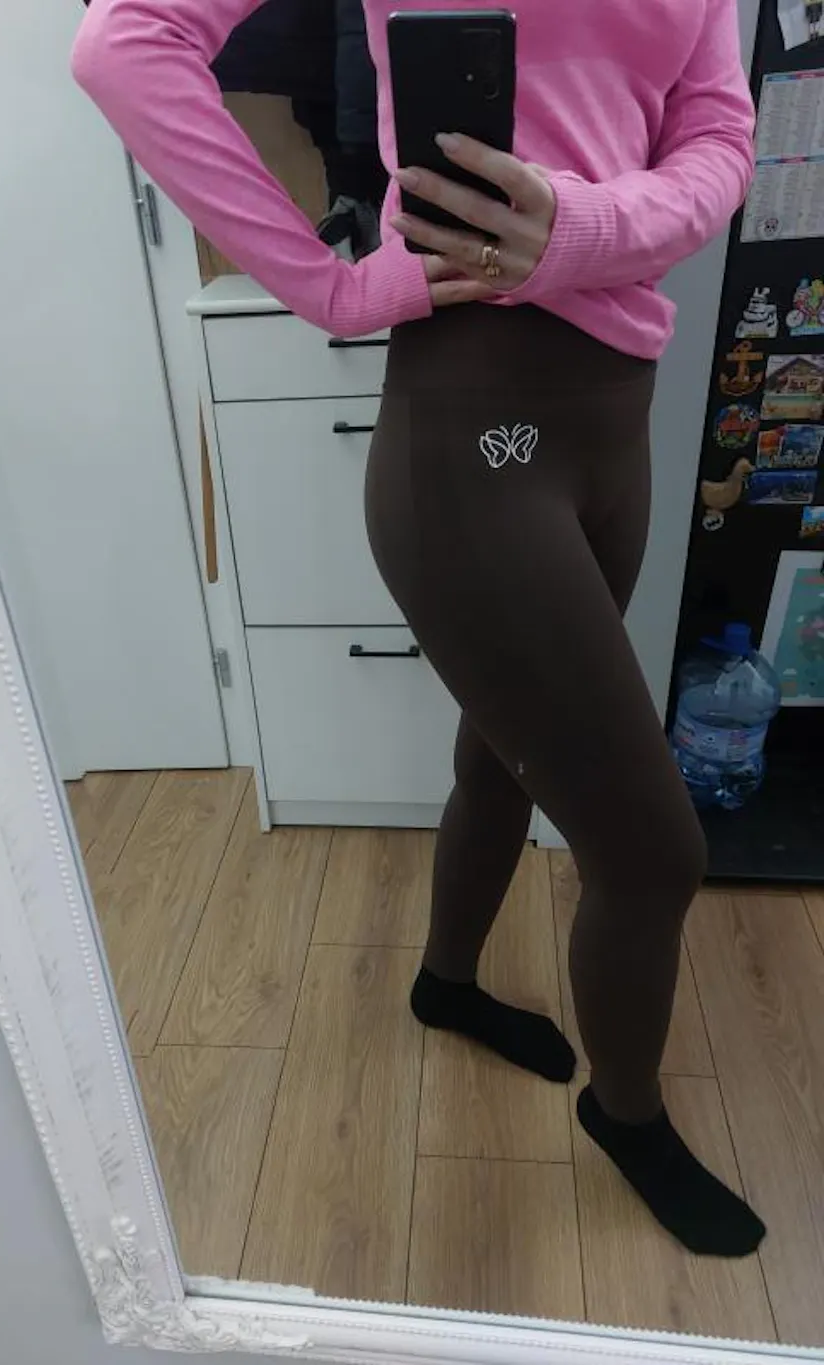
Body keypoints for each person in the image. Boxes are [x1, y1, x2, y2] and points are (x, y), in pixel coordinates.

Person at [71, 0, 764, 1256]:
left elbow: (716, 134)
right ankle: (626, 1115)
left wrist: (585, 226)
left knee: (503, 753)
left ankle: (445, 984)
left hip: (614, 425)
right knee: (653, 854)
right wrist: (328, 288)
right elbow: (126, 43)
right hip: (475, 433)